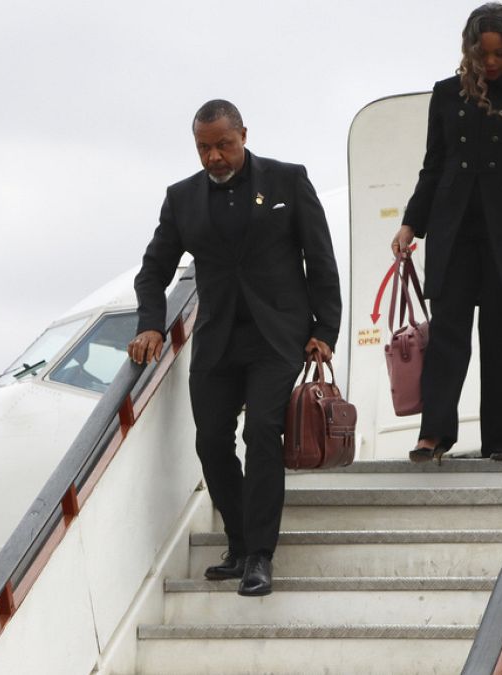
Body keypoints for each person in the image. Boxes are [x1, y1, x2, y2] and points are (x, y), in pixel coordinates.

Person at [128, 100, 341, 596]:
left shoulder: (288, 181)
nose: (214, 157)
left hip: (278, 335)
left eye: (223, 144)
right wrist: (151, 325)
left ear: (243, 134)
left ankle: (261, 556)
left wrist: (325, 331)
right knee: (211, 441)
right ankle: (240, 544)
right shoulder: (181, 198)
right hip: (218, 338)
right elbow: (153, 270)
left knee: (263, 431)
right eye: (204, 148)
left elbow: (320, 259)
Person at [391, 3, 502, 463]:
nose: (490, 63)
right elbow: (434, 165)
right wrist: (412, 222)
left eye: (499, 54)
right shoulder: (446, 94)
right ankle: (434, 434)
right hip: (454, 230)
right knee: (447, 333)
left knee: (500, 335)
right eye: (482, 53)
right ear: (469, 50)